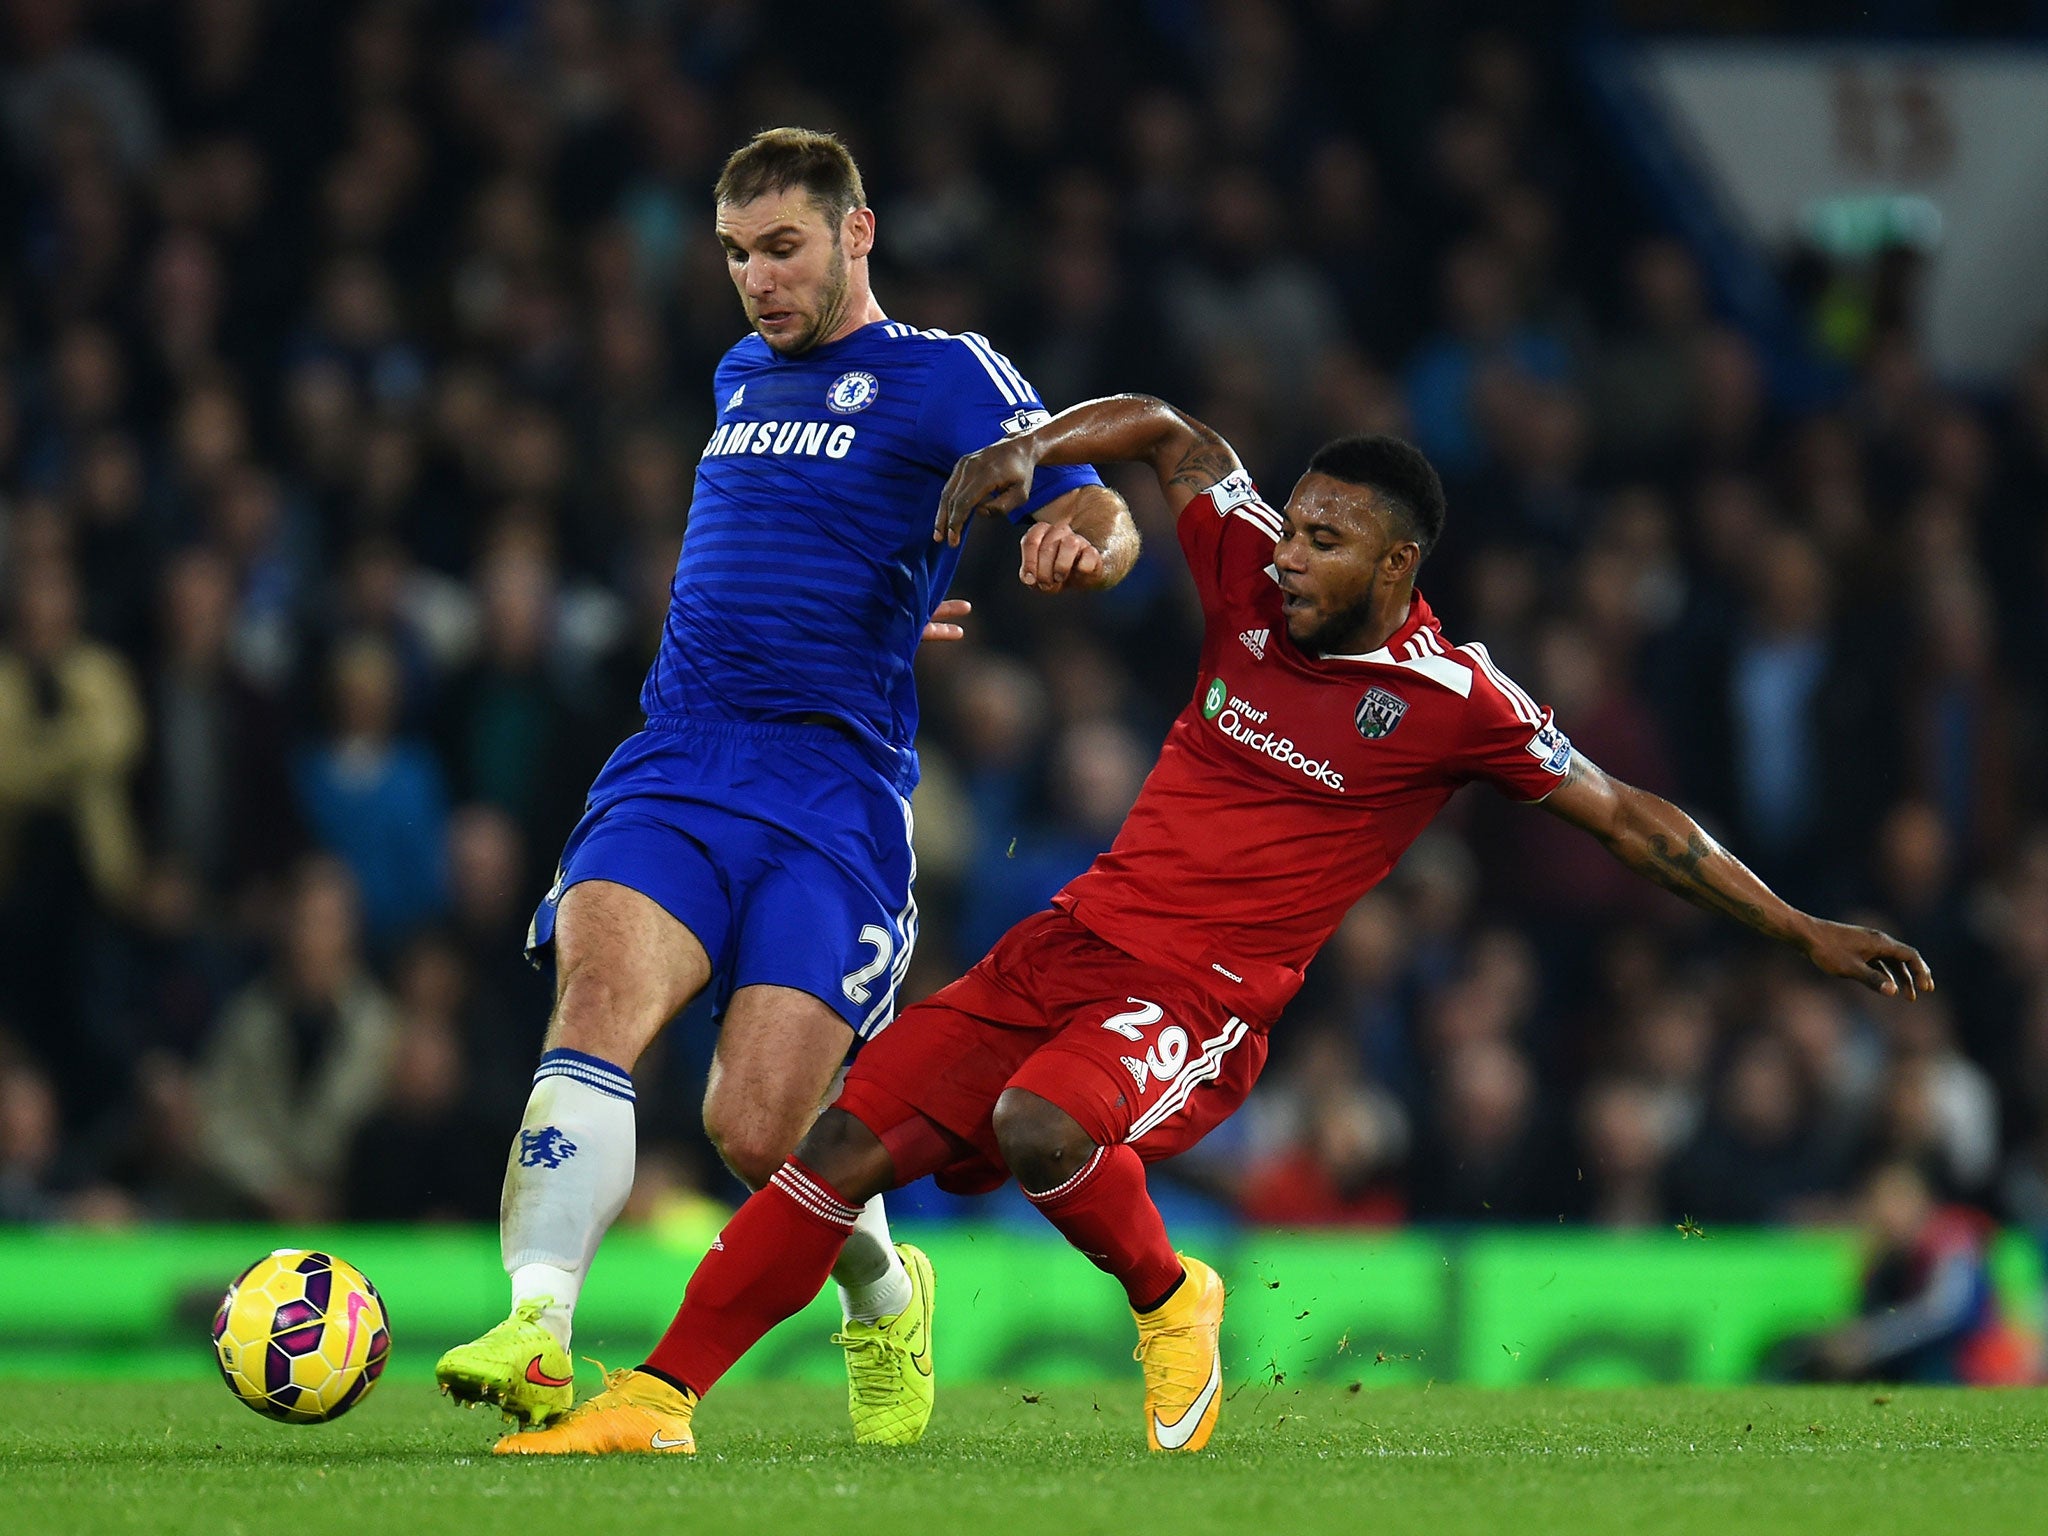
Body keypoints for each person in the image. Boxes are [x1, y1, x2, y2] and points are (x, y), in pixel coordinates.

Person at [490, 395, 1928, 1458]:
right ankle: (656, 1401)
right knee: (834, 1149)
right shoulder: (1246, 570)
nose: (1285, 558)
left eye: (1326, 542)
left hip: (1204, 995)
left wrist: (1796, 925)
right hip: (1074, 939)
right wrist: (1032, 451)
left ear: (1398, 571)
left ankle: (1174, 1294)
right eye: (1291, 526)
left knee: (1045, 1125)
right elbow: (1170, 432)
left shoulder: (1456, 704)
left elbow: (1633, 821)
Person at [434, 128, 1136, 1446]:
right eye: (736, 255)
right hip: (680, 760)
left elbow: (1098, 496)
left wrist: (1077, 539)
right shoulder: (739, 372)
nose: (758, 280)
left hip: (831, 804)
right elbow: (792, 536)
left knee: (759, 1132)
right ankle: (539, 1329)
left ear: (858, 233)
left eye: (784, 248)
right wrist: (863, 608)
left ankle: (885, 1287)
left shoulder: (942, 376)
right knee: (597, 998)